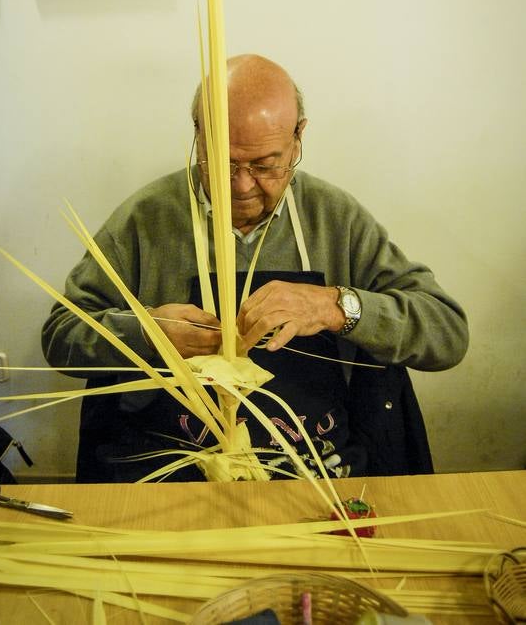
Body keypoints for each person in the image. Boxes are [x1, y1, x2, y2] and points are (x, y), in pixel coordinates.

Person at [42, 54, 468, 482]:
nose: (242, 186)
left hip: (317, 474)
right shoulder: (146, 219)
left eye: (265, 165)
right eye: (223, 163)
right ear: (198, 136)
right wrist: (146, 333)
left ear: (298, 137)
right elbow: (61, 337)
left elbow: (447, 333)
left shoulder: (334, 218)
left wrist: (336, 307)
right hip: (174, 478)